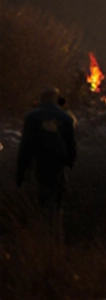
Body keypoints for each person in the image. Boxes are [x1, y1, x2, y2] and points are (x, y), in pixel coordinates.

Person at [16, 86, 77, 238]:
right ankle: (56, 234)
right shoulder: (66, 118)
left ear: (41, 99)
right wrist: (70, 162)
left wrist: (21, 172)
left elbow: (25, 146)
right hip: (58, 163)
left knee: (40, 197)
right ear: (55, 98)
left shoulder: (31, 117)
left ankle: (40, 234)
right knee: (58, 200)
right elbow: (71, 144)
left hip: (40, 162)